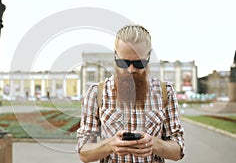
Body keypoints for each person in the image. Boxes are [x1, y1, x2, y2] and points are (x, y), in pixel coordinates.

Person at [76, 24, 185, 163]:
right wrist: (109, 146)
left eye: (139, 63)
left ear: (149, 56)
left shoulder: (165, 92)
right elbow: (84, 152)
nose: (131, 69)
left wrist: (154, 144)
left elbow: (178, 151)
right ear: (115, 55)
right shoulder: (96, 93)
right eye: (123, 62)